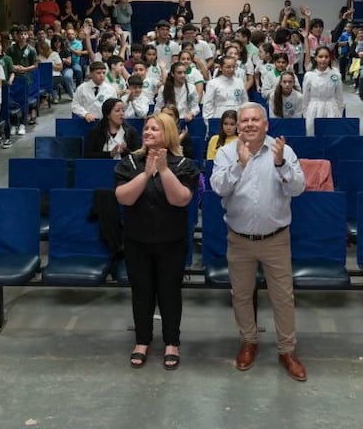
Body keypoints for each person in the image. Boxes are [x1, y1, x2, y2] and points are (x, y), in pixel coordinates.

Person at [210, 103, 307, 382]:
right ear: (238, 125)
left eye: (255, 120)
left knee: (283, 297)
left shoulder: (282, 151)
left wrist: (280, 165)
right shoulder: (227, 152)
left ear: (266, 124)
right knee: (241, 295)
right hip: (239, 239)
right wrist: (240, 165)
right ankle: (248, 341)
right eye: (244, 121)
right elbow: (217, 188)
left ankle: (286, 350)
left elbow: (298, 188)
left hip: (275, 240)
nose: (250, 124)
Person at [114, 112, 199, 371]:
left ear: (168, 134)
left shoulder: (183, 164)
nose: (148, 132)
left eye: (155, 129)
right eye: (147, 128)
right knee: (142, 291)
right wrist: (145, 174)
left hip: (171, 242)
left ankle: (172, 342)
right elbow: (123, 198)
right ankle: (142, 340)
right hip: (137, 240)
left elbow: (181, 199)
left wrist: (162, 171)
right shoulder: (130, 161)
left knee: (169, 292)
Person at [301, 46, 343, 134]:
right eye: (320, 57)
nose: (323, 59)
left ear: (330, 58)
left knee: (331, 135)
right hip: (313, 109)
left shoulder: (335, 74)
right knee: (313, 134)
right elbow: (305, 97)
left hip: (332, 108)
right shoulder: (309, 75)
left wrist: (339, 113)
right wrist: (306, 113)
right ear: (315, 58)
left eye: (326, 57)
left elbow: (339, 97)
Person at [202, 55, 246, 121]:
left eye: (233, 67)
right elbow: (208, 104)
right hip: (219, 116)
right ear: (220, 68)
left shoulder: (239, 82)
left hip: (237, 116)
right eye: (228, 67)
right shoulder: (213, 83)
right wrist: (209, 120)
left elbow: (244, 101)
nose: (231, 69)